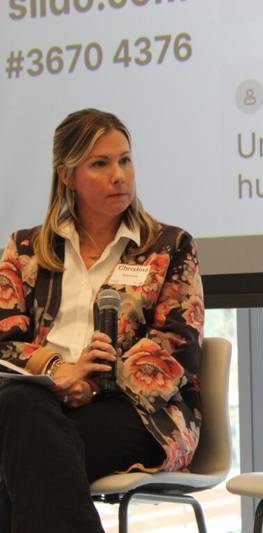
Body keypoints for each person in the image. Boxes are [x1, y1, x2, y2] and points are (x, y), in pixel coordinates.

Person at [0, 108, 204, 532]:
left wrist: (92, 383)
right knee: (26, 418)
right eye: (101, 163)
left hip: (137, 412)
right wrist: (59, 372)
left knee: (25, 452)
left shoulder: (169, 246)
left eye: (125, 160)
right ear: (67, 175)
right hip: (35, 404)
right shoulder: (25, 249)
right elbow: (5, 340)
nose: (119, 175)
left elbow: (175, 345)